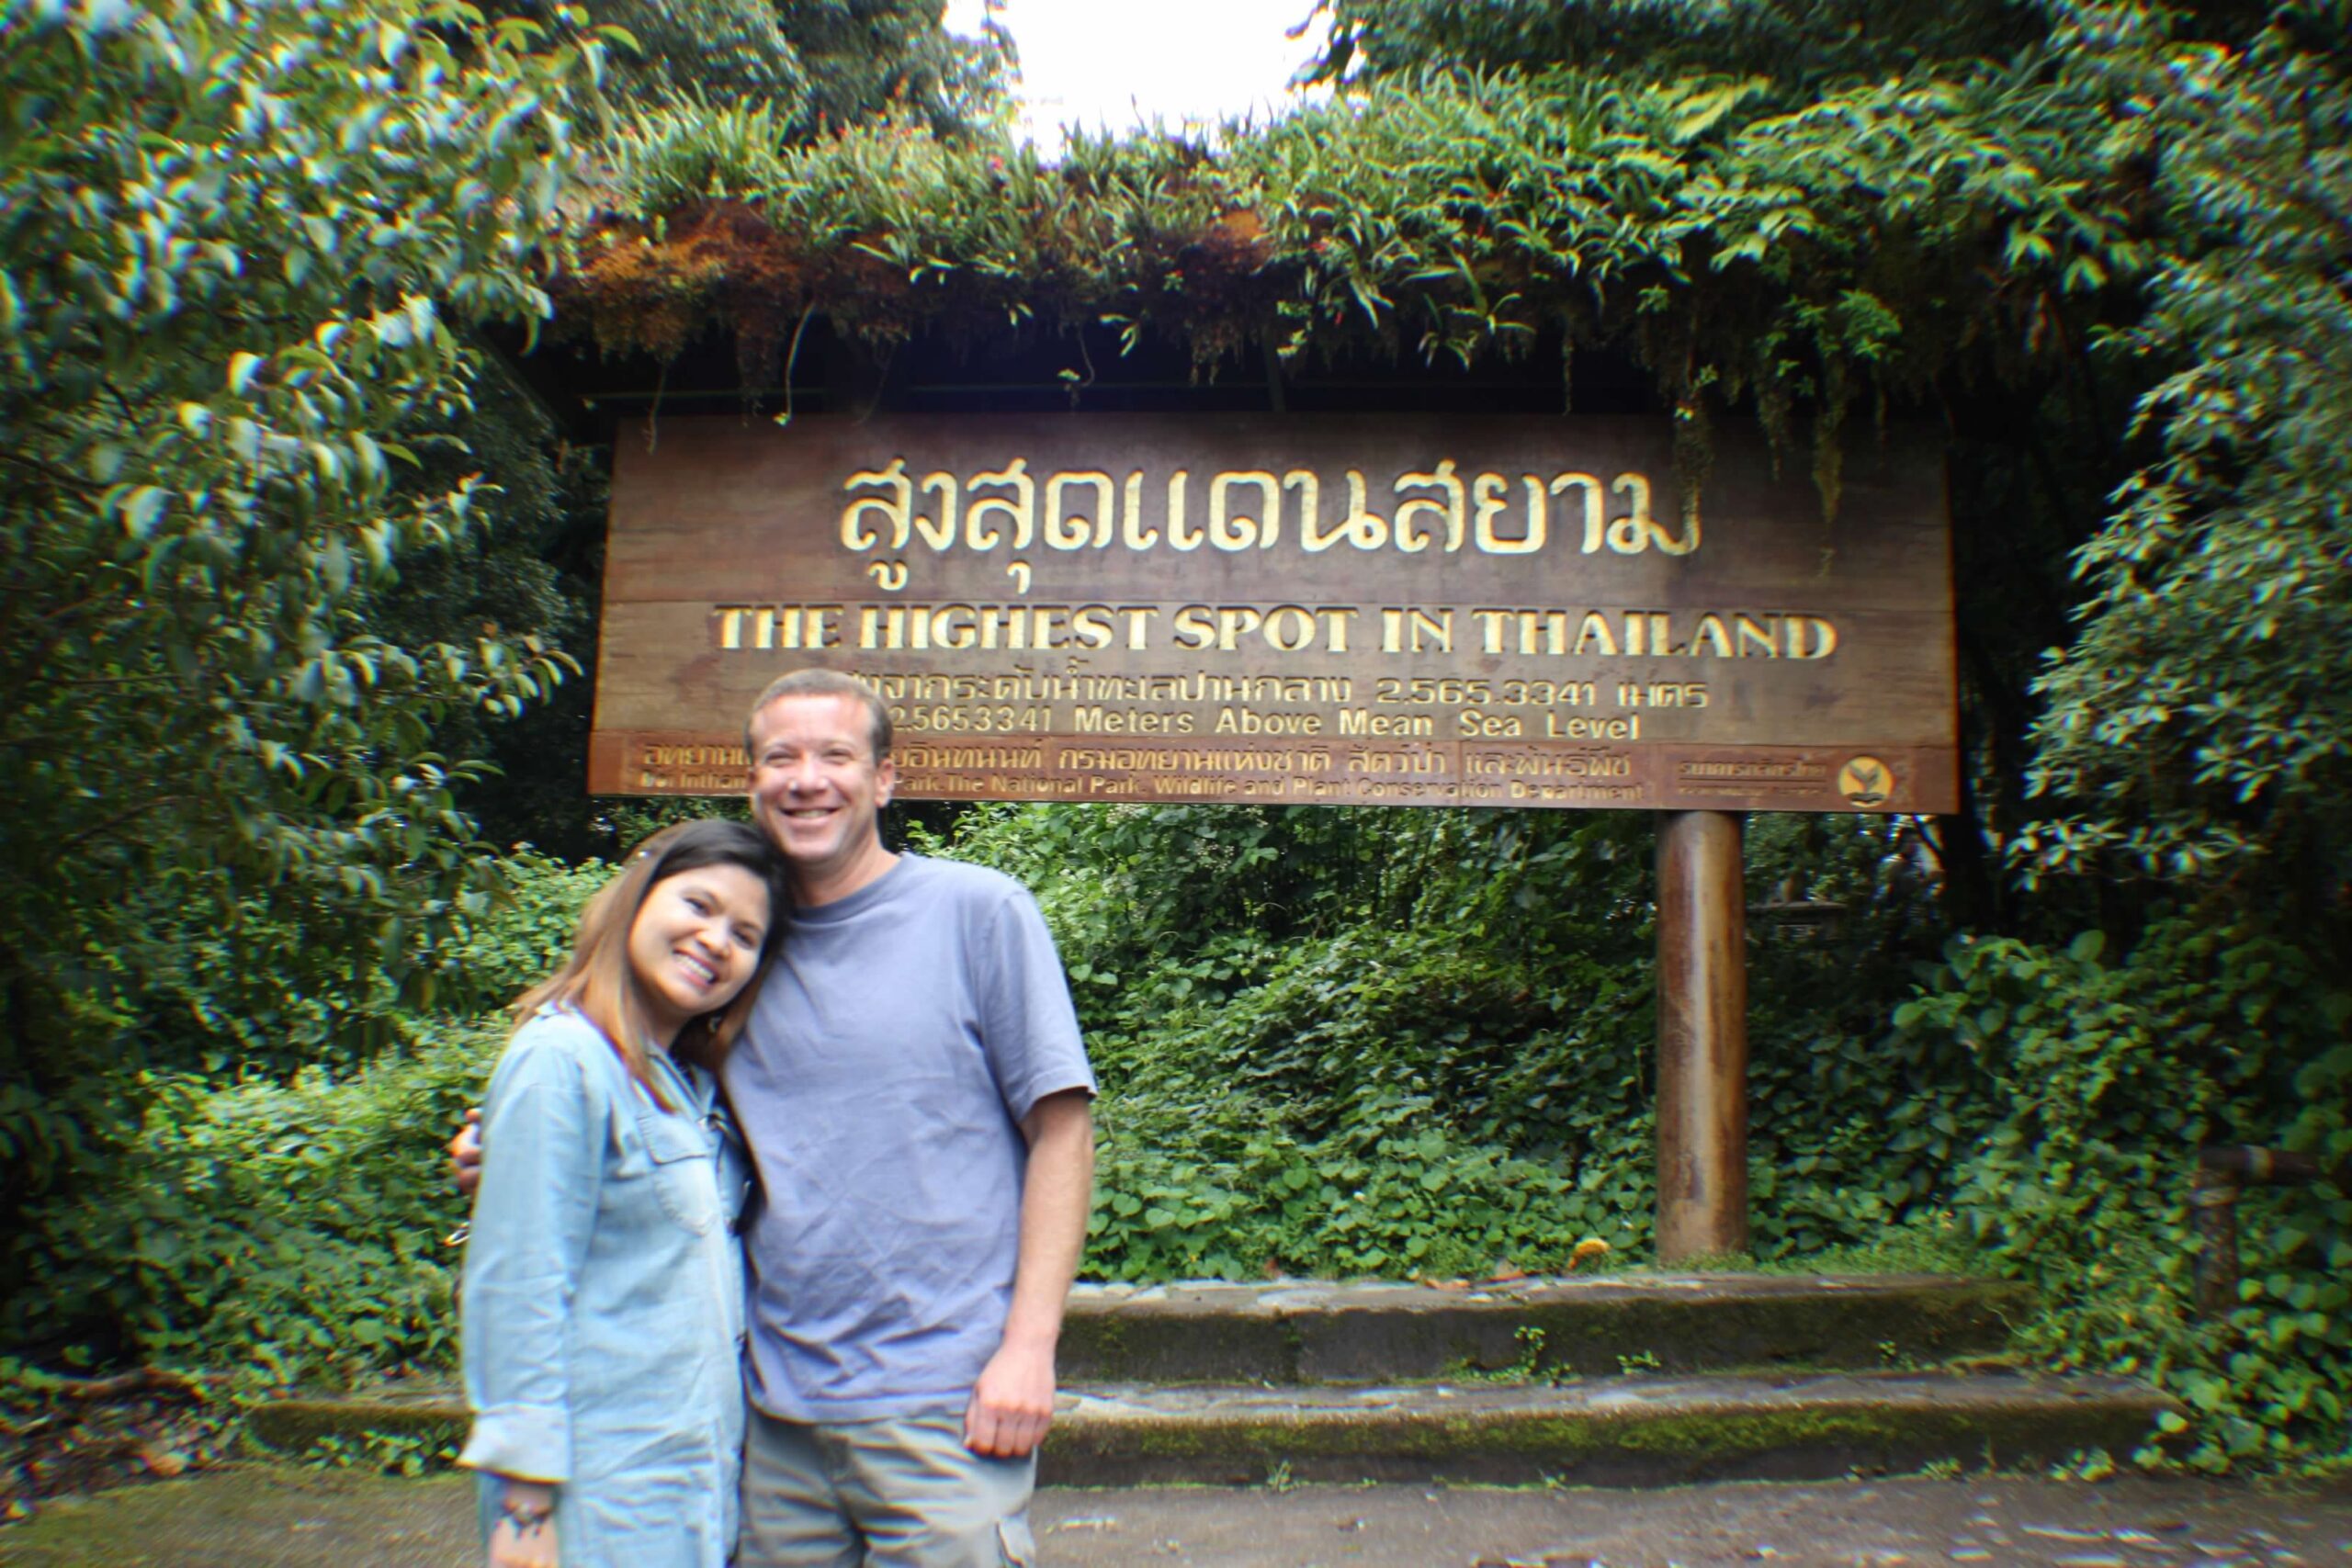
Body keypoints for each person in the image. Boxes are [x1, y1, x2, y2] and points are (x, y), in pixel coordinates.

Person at [455, 668, 1097, 1568]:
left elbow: (1062, 1133)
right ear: (752, 779)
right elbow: (638, 1114)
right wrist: (513, 1151)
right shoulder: (734, 945)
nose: (807, 778)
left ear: (884, 779)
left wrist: (1029, 1347)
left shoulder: (979, 912)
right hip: (767, 1412)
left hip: (939, 1399)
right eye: (780, 757)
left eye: (836, 754)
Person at [458, 818, 791, 1568]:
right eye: (698, 905)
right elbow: (520, 1287)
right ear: (636, 900)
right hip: (596, 1490)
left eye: (745, 933)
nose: (716, 940)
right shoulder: (563, 1058)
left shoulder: (691, 1084)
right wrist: (525, 1503)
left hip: (687, 1483)